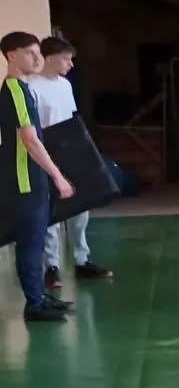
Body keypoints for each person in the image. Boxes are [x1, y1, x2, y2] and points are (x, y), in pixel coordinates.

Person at [1, 31, 75, 323]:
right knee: (30, 242)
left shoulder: (25, 88)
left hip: (32, 177)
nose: (36, 58)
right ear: (11, 56)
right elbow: (29, 140)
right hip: (24, 179)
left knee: (36, 239)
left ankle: (39, 297)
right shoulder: (15, 91)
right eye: (29, 53)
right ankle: (34, 304)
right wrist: (58, 176)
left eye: (37, 52)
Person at [30, 36, 112, 288]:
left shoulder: (65, 85)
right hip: (45, 153)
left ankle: (81, 260)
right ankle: (51, 267)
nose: (70, 64)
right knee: (51, 213)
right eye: (66, 59)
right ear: (51, 57)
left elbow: (71, 118)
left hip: (70, 152)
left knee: (80, 209)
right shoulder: (32, 86)